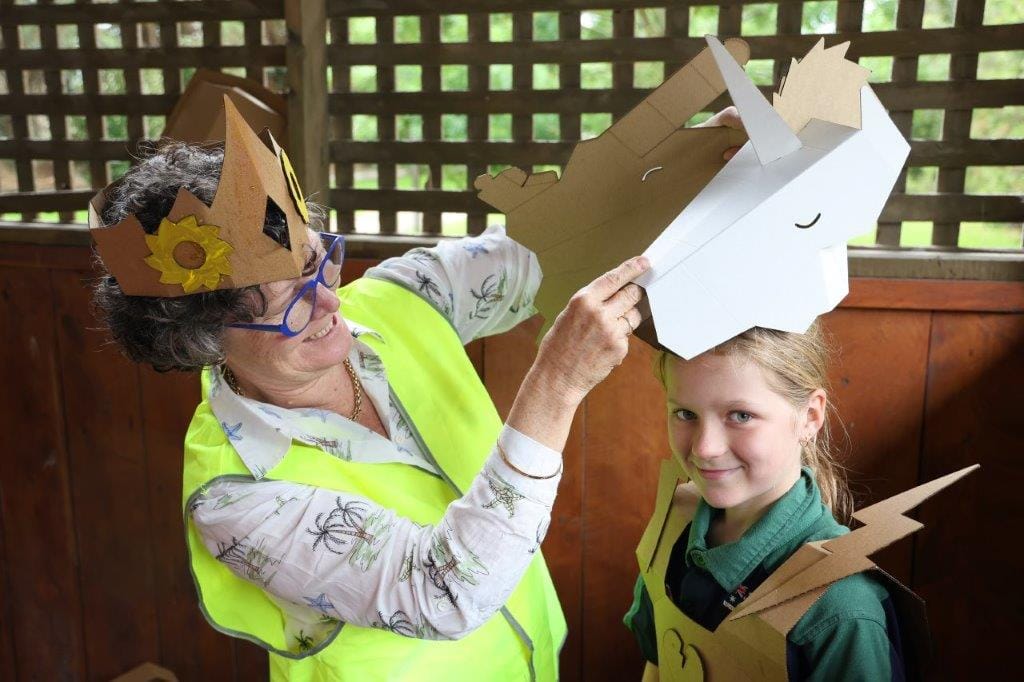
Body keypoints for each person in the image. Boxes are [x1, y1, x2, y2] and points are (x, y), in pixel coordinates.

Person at [91, 136, 650, 681]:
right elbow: (446, 592)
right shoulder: (235, 497)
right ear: (206, 338)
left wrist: (692, 160)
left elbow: (553, 243)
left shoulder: (402, 297)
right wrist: (556, 387)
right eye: (289, 305)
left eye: (318, 262)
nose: (332, 301)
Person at [624, 324, 906, 681]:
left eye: (741, 416)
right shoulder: (672, 534)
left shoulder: (840, 609)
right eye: (686, 414)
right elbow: (660, 663)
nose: (704, 448)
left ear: (810, 417)